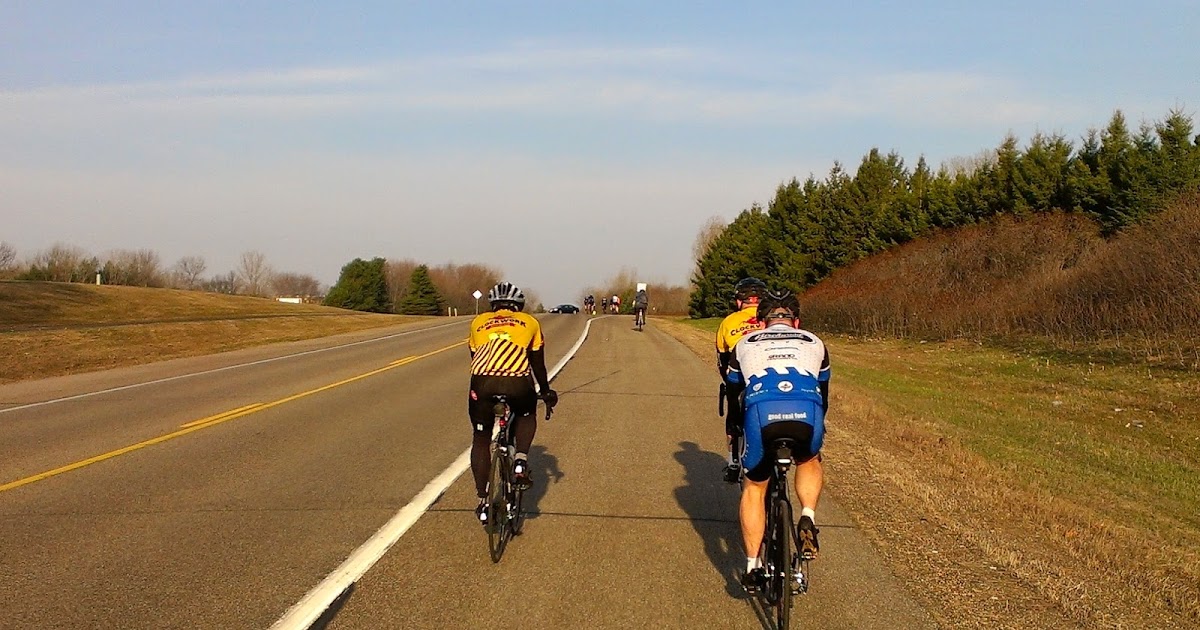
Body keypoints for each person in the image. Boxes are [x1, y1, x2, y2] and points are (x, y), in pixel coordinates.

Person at [727, 290, 830, 592]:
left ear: (761, 323)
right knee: (809, 459)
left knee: (755, 486)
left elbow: (734, 395)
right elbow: (823, 393)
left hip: (763, 413)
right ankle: (807, 517)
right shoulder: (814, 341)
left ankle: (752, 566)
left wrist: (735, 426)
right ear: (796, 322)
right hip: (807, 411)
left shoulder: (745, 343)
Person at [467, 282, 558, 525]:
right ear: (518, 306)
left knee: (481, 438)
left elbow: (475, 357)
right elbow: (537, 363)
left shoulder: (478, 322)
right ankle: (520, 461)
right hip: (517, 383)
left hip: (482, 383)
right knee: (527, 414)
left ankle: (483, 501)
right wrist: (546, 392)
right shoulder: (529, 322)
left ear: (493, 306)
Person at [715, 277, 768, 483]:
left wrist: (728, 382)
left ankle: (733, 461)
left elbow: (722, 359)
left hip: (741, 377)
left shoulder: (728, 322)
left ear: (739, 302)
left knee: (734, 414)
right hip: (771, 377)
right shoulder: (771, 319)